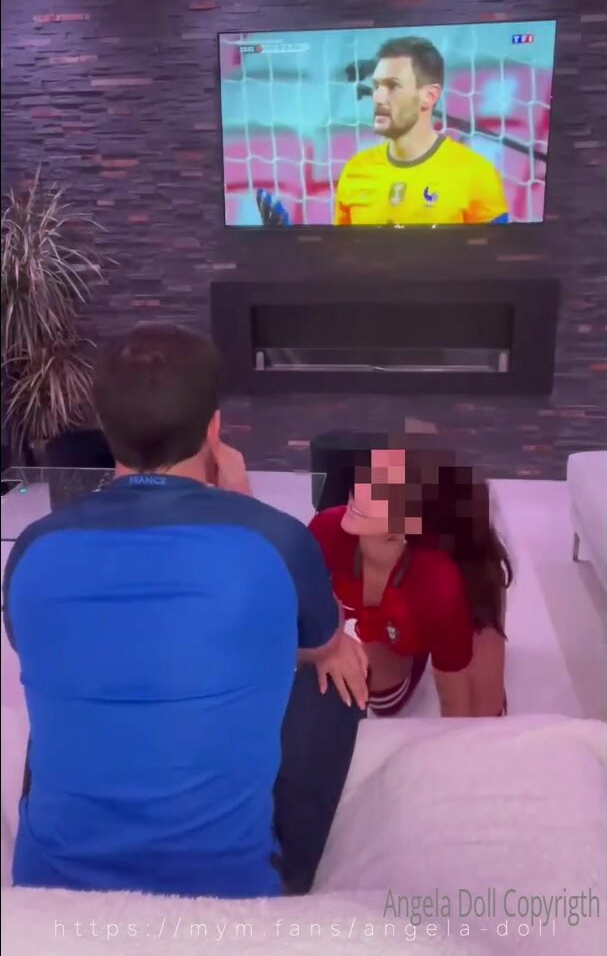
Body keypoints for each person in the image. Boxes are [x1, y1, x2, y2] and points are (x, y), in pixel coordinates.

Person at [3, 324, 367, 899]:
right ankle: (289, 880)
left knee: (72, 666)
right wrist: (239, 499)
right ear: (214, 428)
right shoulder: (276, 539)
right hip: (229, 886)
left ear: (106, 428)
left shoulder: (33, 546)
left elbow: (34, 643)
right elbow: (319, 643)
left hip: (51, 879)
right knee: (336, 669)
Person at [309, 445, 511, 717]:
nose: (359, 491)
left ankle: (455, 629)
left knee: (481, 719)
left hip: (453, 593)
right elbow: (290, 618)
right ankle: (413, 645)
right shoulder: (325, 531)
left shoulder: (440, 581)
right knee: (378, 697)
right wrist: (330, 647)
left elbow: (455, 704)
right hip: (399, 618)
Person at [257, 36, 509, 227]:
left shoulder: (476, 173)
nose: (377, 97)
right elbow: (340, 263)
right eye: (376, 85)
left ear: (429, 96)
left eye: (392, 86)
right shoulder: (355, 170)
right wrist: (289, 245)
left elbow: (495, 266)